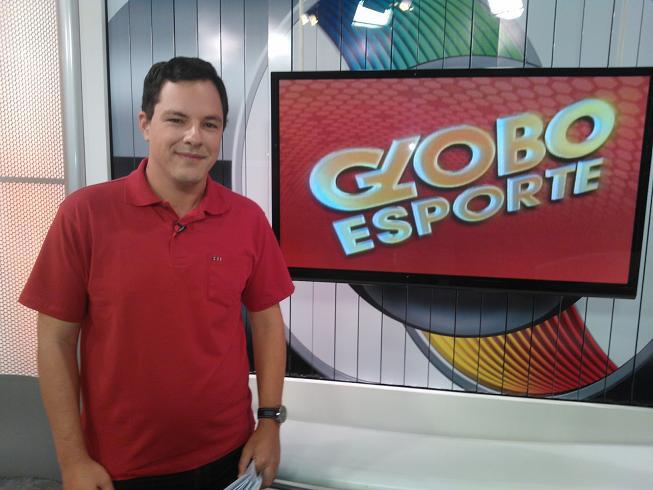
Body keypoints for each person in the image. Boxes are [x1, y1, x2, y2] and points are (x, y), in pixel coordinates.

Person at [19, 57, 294, 489]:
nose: (194, 137)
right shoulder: (85, 214)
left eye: (210, 124)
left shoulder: (247, 219)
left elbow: (267, 321)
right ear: (145, 124)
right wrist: (72, 459)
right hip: (120, 467)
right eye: (177, 120)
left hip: (229, 456)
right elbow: (55, 341)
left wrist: (270, 421)